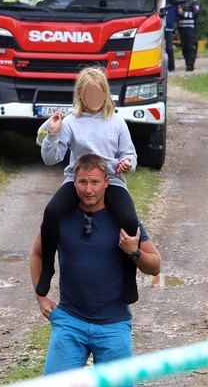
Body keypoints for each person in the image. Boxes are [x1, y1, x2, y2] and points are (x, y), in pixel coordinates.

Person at [29, 152, 161, 376]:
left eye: (95, 182)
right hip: (69, 323)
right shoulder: (60, 218)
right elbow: (37, 254)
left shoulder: (125, 221)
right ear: (74, 182)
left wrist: (134, 251)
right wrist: (41, 297)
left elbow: (155, 266)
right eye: (82, 182)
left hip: (114, 326)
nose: (88, 189)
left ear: (107, 182)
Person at [36, 67, 141, 303]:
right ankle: (48, 268)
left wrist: (127, 164)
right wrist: (52, 135)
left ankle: (128, 276)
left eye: (99, 93)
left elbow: (130, 156)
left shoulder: (117, 122)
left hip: (111, 179)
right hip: (78, 179)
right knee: (52, 212)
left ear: (105, 94)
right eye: (89, 93)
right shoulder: (70, 123)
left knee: (129, 219)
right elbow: (50, 158)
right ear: (80, 95)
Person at [177, 0, 201, 71]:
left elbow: (196, 13)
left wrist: (183, 13)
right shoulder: (180, 2)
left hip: (191, 29)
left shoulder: (194, 1)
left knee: (191, 46)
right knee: (184, 47)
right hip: (182, 28)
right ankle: (187, 62)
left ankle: (190, 64)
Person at [164, 0, 177, 72]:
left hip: (168, 27)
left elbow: (175, 13)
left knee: (169, 47)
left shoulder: (172, 0)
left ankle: (171, 66)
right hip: (162, 26)